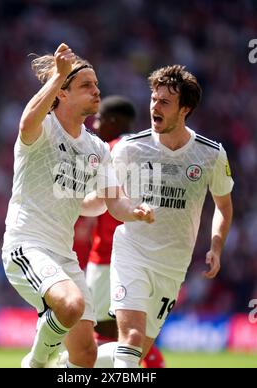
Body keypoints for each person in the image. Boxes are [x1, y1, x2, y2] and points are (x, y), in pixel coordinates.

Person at [1, 43, 154, 368]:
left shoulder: (95, 147)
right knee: (69, 306)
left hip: (63, 255)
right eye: (86, 85)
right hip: (25, 246)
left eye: (97, 85)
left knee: (85, 356)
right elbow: (26, 121)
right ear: (63, 93)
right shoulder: (42, 129)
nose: (96, 91)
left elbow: (114, 203)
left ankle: (51, 363)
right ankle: (37, 362)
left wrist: (134, 212)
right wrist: (57, 75)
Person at [103, 64, 234, 368]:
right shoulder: (130, 149)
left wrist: (216, 246)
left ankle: (70, 366)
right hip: (132, 252)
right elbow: (110, 199)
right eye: (153, 99)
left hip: (173, 266)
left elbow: (224, 206)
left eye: (164, 102)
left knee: (135, 351)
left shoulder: (211, 154)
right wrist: (130, 210)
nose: (154, 107)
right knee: (132, 339)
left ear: (185, 109)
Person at [83, 95, 165, 368]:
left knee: (107, 331)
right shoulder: (144, 148)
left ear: (113, 121)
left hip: (109, 254)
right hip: (143, 251)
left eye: (99, 119)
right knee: (129, 332)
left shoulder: (113, 150)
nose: (95, 125)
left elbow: (101, 200)